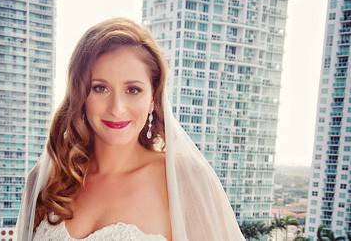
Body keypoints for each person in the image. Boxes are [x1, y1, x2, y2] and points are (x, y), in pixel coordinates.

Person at [14, 18, 245, 241]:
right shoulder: (47, 180)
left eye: (133, 90)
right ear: (80, 95)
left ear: (153, 98)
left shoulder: (183, 178)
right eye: (100, 88)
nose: (116, 108)